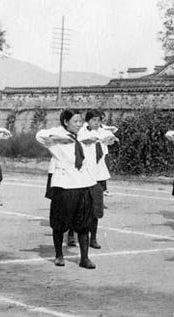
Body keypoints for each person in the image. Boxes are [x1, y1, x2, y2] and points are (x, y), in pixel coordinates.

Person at [36, 110, 97, 269]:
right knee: (59, 222)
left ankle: (84, 258)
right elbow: (39, 135)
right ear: (65, 122)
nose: (79, 124)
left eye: (80, 121)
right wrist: (58, 138)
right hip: (64, 185)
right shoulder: (57, 133)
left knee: (84, 223)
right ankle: (59, 255)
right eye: (76, 121)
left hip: (83, 183)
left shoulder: (82, 135)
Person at [72, 109, 118, 249]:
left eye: (99, 120)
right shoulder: (82, 132)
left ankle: (93, 238)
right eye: (94, 120)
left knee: (95, 208)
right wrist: (87, 141)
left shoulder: (103, 132)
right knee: (79, 206)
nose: (97, 123)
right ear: (88, 121)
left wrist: (111, 140)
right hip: (84, 173)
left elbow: (113, 140)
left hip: (98, 175)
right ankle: (71, 235)